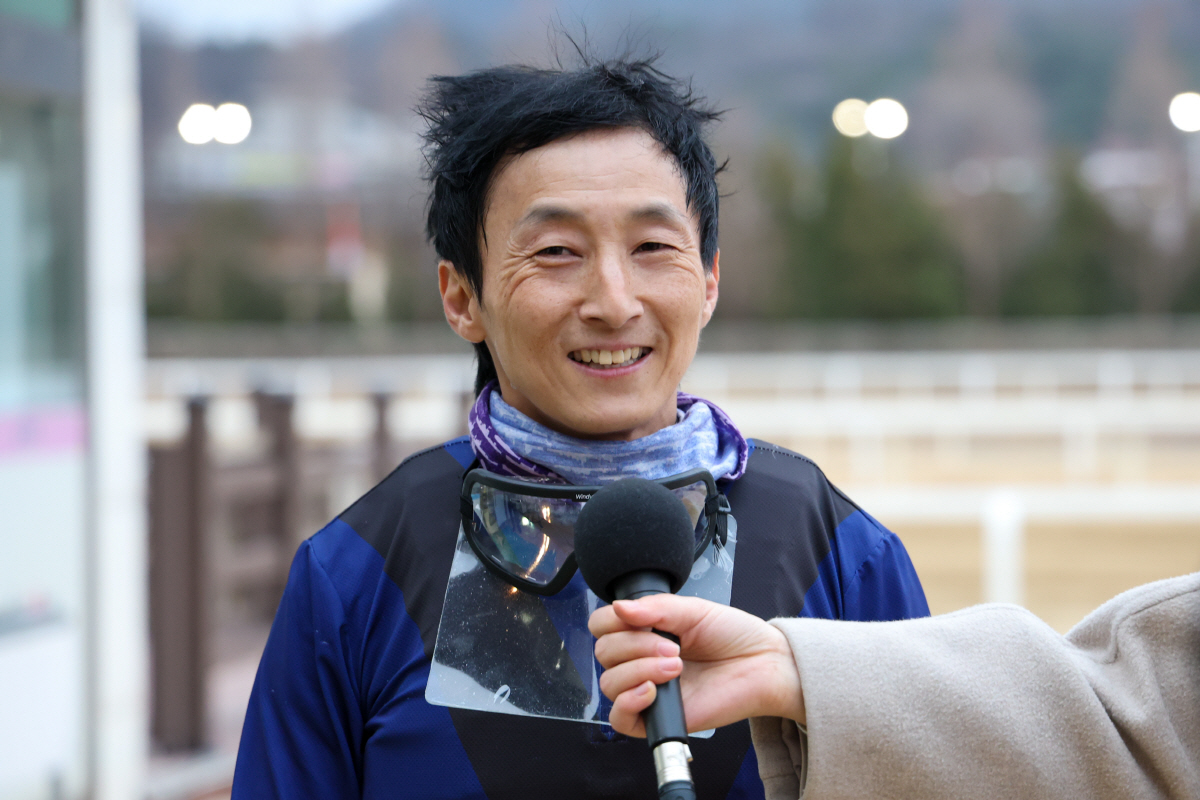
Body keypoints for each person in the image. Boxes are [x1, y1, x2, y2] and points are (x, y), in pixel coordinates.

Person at [232, 55, 930, 800]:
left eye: (653, 247)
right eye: (557, 251)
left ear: (710, 280)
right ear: (461, 295)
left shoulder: (838, 549)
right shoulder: (360, 568)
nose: (612, 299)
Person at [590, 572, 1200, 799]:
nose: (614, 305)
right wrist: (789, 668)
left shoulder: (849, 540)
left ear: (709, 286)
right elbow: (1138, 721)